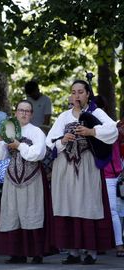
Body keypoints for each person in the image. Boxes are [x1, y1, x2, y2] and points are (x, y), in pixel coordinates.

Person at [45, 80, 116, 265]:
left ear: (87, 94)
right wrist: (62, 140)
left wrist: (91, 131)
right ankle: (72, 251)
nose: (76, 96)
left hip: (87, 167)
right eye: (73, 92)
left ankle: (91, 252)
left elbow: (112, 131)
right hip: (65, 168)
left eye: (80, 92)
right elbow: (49, 141)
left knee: (87, 204)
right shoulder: (63, 117)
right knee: (68, 205)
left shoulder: (96, 113)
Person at [0, 100, 54, 264]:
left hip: (32, 177)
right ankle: (16, 253)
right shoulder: (9, 129)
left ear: (31, 114)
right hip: (12, 176)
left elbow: (37, 153)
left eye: (27, 111)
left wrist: (19, 145)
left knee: (32, 211)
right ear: (15, 112)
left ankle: (36, 252)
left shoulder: (36, 132)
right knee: (13, 212)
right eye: (21, 110)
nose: (24, 113)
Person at [95, 96, 124, 257]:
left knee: (111, 210)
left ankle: (118, 244)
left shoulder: (111, 126)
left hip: (108, 174)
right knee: (102, 210)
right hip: (97, 174)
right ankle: (105, 244)